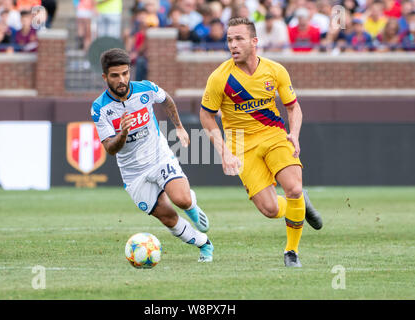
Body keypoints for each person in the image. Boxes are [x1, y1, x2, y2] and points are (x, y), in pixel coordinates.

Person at [199, 17, 322, 268]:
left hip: (274, 135)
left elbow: (293, 107)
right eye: (229, 39)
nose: (233, 44)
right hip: (241, 144)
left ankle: (291, 252)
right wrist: (223, 152)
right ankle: (298, 205)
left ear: (254, 41)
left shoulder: (275, 70)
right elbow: (206, 115)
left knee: (294, 187)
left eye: (239, 39)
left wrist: (294, 134)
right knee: (269, 209)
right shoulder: (219, 77)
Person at [91, 48, 214, 262]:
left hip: (159, 157)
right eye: (115, 76)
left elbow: (166, 100)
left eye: (125, 73)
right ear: (105, 77)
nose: (122, 80)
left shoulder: (145, 89)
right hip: (133, 173)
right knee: (167, 217)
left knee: (182, 200)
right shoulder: (99, 108)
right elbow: (110, 149)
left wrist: (179, 127)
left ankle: (192, 206)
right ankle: (204, 244)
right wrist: (122, 134)